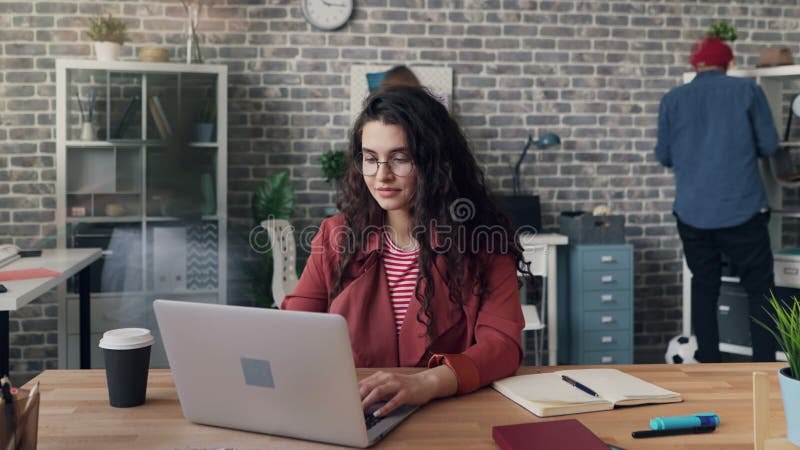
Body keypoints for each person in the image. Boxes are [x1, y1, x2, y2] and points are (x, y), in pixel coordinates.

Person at [282, 85, 529, 417]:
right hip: (356, 411)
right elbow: (293, 332)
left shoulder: (484, 242)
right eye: (370, 159)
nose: (382, 175)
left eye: (400, 159)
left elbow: (502, 347)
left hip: (449, 415)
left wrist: (426, 384)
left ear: (434, 163)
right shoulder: (335, 235)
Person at [655, 35, 780, 362]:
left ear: (694, 65)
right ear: (729, 63)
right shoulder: (748, 91)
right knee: (760, 290)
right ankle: (765, 367)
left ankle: (709, 363)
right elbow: (769, 146)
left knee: (704, 286)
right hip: (742, 210)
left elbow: (664, 155)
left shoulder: (672, 99)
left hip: (692, 213)